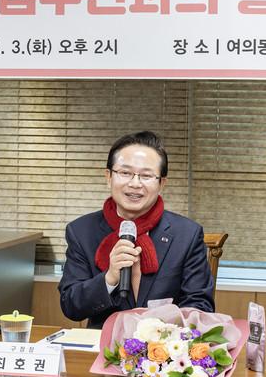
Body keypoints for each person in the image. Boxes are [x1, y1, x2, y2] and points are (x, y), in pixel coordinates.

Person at [58, 130, 215, 328]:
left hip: (163, 344)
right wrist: (109, 278)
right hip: (104, 344)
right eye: (125, 173)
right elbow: (71, 306)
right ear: (109, 177)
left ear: (161, 184)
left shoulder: (187, 234)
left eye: (146, 175)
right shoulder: (81, 231)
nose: (135, 183)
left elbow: (201, 307)